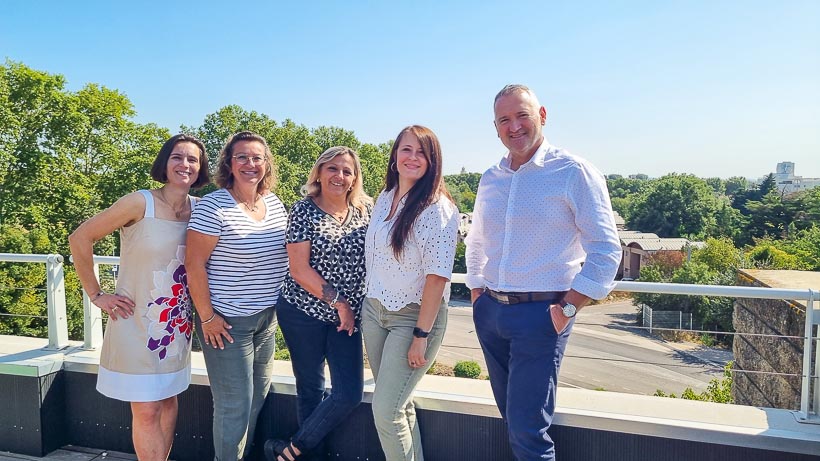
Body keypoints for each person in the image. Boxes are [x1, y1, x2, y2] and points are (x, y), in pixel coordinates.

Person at [465, 84, 622, 460]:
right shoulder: (491, 178)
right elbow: (476, 242)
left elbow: (606, 250)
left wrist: (567, 309)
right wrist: (476, 295)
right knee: (512, 418)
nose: (514, 126)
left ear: (543, 116)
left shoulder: (573, 171)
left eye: (522, 115)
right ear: (495, 126)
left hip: (542, 316)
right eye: (505, 119)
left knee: (528, 429)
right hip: (492, 313)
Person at [69, 134, 210, 461]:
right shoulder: (139, 203)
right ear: (165, 162)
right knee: (146, 408)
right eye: (177, 157)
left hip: (176, 325)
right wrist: (96, 294)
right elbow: (80, 238)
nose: (184, 165)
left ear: (200, 168)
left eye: (192, 159)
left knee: (168, 400)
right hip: (133, 321)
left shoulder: (201, 210)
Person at [263, 146, 372, 461]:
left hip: (346, 319)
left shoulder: (367, 210)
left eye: (347, 171)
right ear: (320, 173)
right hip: (302, 313)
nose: (340, 176)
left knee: (348, 393)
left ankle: (290, 450)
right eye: (332, 169)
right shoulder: (303, 210)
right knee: (310, 389)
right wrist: (340, 302)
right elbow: (298, 269)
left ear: (354, 178)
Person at [186, 131, 288, 461]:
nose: (250, 164)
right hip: (226, 322)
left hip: (266, 319)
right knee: (234, 406)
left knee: (257, 397)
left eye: (257, 158)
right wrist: (207, 318)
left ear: (266, 164)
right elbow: (194, 265)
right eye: (241, 157)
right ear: (229, 164)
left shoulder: (273, 203)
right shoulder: (213, 206)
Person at [362, 125, 459, 461]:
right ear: (395, 155)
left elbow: (437, 278)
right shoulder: (385, 199)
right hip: (374, 311)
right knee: (398, 406)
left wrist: (422, 334)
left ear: (433, 162)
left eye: (422, 152)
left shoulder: (438, 209)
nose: (413, 157)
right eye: (406, 149)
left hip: (413, 318)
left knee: (385, 410)